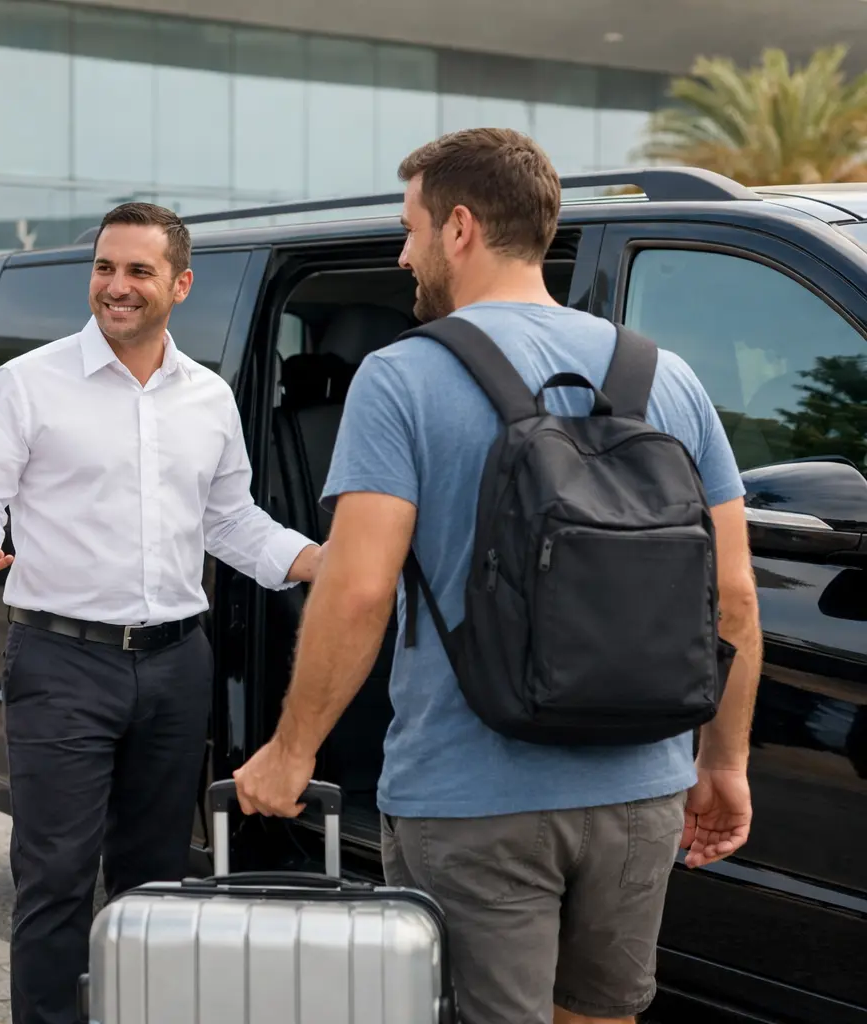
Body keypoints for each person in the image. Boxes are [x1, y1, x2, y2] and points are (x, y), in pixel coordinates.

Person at [232, 129, 762, 1024]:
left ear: (460, 227)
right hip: (641, 788)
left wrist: (291, 752)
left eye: (410, 230)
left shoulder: (402, 377)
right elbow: (735, 598)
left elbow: (358, 590)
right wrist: (724, 762)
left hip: (470, 798)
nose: (403, 256)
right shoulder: (667, 377)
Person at [0, 201, 323, 1024]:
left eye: (139, 271)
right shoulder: (28, 383)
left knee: (155, 885)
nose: (116, 285)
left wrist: (320, 562)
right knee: (55, 879)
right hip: (60, 663)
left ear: (179, 284)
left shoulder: (208, 398)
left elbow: (230, 520)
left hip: (176, 664)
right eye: (105, 268)